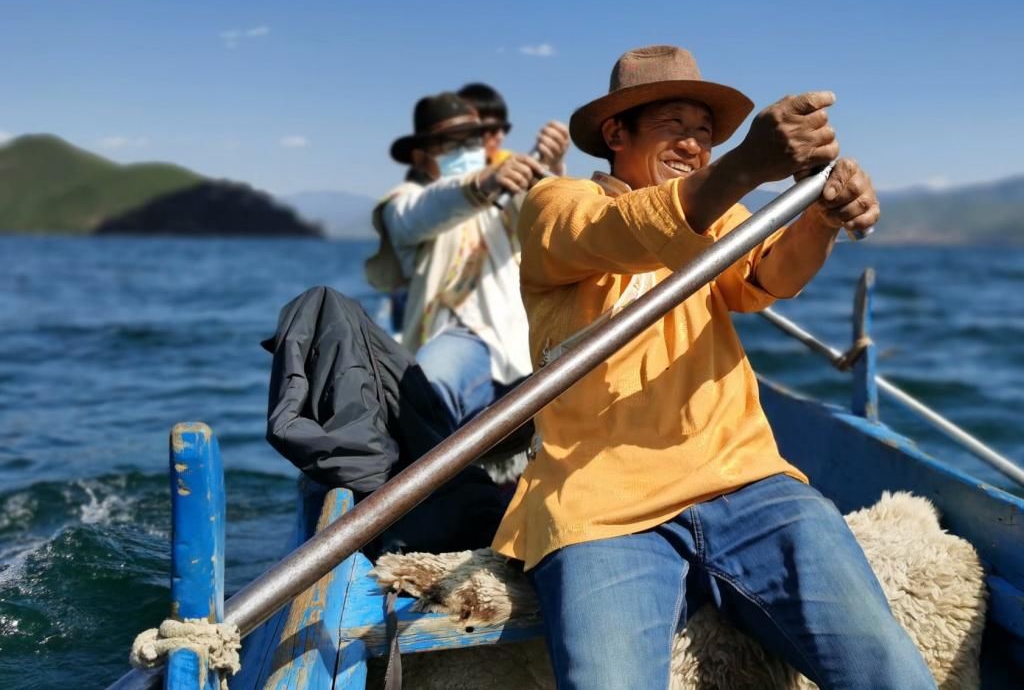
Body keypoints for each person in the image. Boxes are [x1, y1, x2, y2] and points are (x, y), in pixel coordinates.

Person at [491, 46, 935, 690]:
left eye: (704, 134)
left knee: (888, 669)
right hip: (599, 502)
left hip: (746, 480)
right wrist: (748, 163)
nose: (694, 144)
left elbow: (767, 279)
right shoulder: (556, 203)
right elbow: (622, 232)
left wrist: (821, 215)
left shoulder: (718, 213)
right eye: (675, 125)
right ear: (616, 133)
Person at [364, 91, 569, 432]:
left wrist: (553, 165)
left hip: (533, 342)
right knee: (428, 385)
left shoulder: (512, 192)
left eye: (472, 140)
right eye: (448, 143)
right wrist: (483, 182)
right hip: (454, 341)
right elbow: (424, 210)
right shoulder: (404, 204)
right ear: (420, 156)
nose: (464, 151)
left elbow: (553, 215)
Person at [459, 80, 567, 174]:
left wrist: (555, 164)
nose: (500, 136)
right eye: (492, 129)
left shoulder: (506, 161)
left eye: (505, 129)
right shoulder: (444, 168)